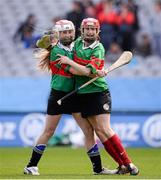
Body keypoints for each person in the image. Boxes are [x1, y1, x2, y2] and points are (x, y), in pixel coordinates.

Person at [23, 19, 117, 176]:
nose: (68, 35)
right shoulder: (55, 51)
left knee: (88, 131)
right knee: (49, 131)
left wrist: (96, 69)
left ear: (74, 32)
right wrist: (93, 72)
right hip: (59, 95)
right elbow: (74, 70)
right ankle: (31, 166)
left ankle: (98, 169)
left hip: (74, 95)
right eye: (64, 32)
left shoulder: (77, 47)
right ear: (58, 34)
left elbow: (88, 61)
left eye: (70, 32)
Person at [57, 18, 139, 175]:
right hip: (83, 94)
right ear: (82, 30)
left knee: (105, 129)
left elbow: (88, 72)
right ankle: (121, 165)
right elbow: (79, 70)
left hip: (98, 92)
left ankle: (129, 163)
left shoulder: (98, 48)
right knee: (99, 132)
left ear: (97, 31)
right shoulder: (77, 44)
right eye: (87, 28)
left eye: (93, 29)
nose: (89, 31)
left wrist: (79, 66)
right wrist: (85, 69)